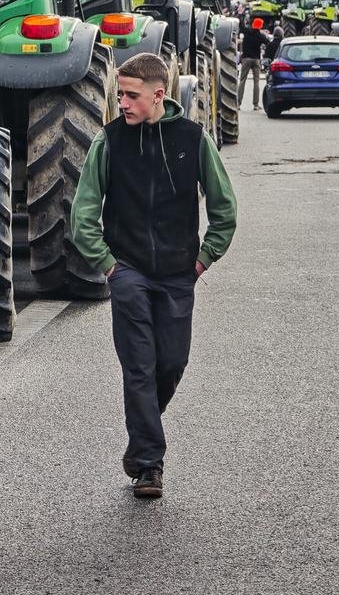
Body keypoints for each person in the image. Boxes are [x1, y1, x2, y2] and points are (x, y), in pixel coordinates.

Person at [70, 52, 238, 500]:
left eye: (130, 95)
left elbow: (225, 211)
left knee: (171, 363)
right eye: (119, 94)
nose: (121, 103)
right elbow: (82, 214)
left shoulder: (192, 139)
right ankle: (148, 463)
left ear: (159, 94)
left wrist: (203, 259)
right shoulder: (108, 142)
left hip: (179, 273)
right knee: (139, 368)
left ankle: (142, 435)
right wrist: (109, 266)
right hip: (128, 273)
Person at [239, 17, 272, 111]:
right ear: (260, 26)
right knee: (256, 82)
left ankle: (238, 103)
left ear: (253, 24)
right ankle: (256, 105)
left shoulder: (246, 31)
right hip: (256, 60)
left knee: (242, 81)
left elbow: (241, 26)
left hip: (246, 59)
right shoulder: (260, 36)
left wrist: (241, 18)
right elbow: (268, 43)